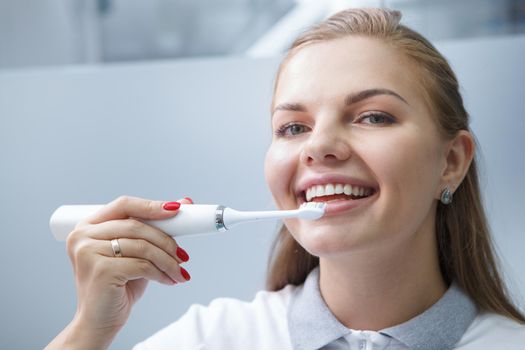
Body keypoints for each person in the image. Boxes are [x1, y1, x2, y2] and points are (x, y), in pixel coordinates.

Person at [46, 8, 525, 350]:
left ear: (452, 161)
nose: (318, 146)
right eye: (293, 127)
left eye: (373, 117)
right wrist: (88, 332)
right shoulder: (211, 341)